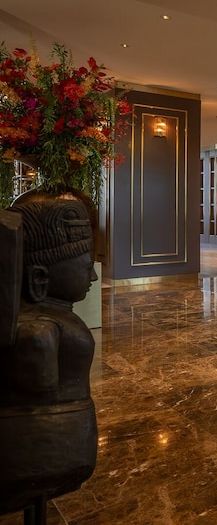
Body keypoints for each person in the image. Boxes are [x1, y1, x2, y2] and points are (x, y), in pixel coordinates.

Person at [0, 189, 99, 520]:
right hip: (42, 452)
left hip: (60, 447)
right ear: (40, 277)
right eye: (86, 267)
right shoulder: (39, 330)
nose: (93, 276)